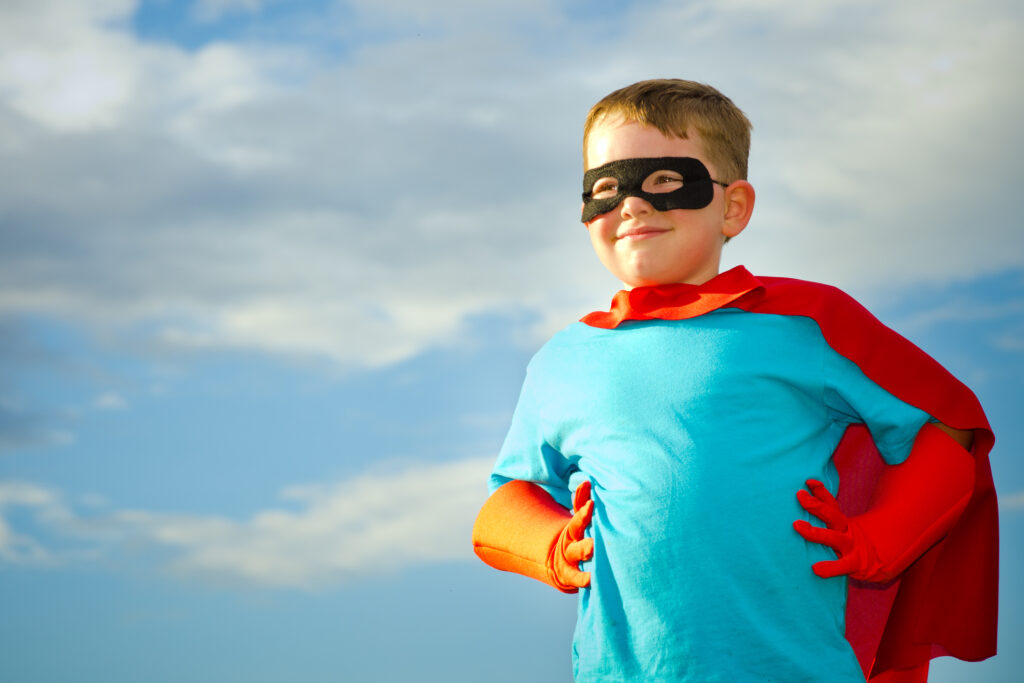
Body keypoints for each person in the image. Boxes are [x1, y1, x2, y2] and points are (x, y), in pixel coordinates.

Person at [471, 79, 998, 682]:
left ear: (734, 207)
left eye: (666, 181)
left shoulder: (808, 322)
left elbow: (950, 424)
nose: (633, 205)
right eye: (607, 188)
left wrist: (880, 541)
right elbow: (502, 503)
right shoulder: (560, 362)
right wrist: (552, 546)